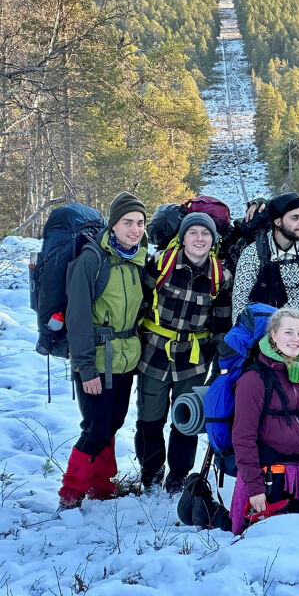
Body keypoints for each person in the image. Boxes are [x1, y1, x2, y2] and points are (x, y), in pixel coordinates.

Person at [59, 192, 149, 509]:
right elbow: (78, 318)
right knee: (96, 427)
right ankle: (71, 491)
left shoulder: (138, 260)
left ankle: (101, 483)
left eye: (140, 223)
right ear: (113, 225)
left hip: (125, 358)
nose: (135, 229)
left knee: (112, 423)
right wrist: (85, 368)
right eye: (128, 222)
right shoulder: (91, 260)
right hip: (95, 358)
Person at [136, 212, 233, 494]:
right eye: (193, 233)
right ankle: (151, 472)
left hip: (193, 359)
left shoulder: (220, 277)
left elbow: (222, 323)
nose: (199, 239)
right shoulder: (160, 264)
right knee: (149, 419)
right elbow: (140, 305)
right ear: (183, 237)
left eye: (205, 234)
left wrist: (219, 365)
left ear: (213, 240)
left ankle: (178, 475)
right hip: (154, 352)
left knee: (187, 420)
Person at [229, 308, 299, 534]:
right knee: (270, 539)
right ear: (274, 335)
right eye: (288, 332)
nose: (295, 340)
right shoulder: (254, 379)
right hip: (270, 477)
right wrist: (255, 487)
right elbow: (243, 437)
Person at [231, 192, 299, 325]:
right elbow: (240, 302)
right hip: (265, 333)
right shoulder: (253, 254)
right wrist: (245, 339)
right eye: (295, 218)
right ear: (278, 221)